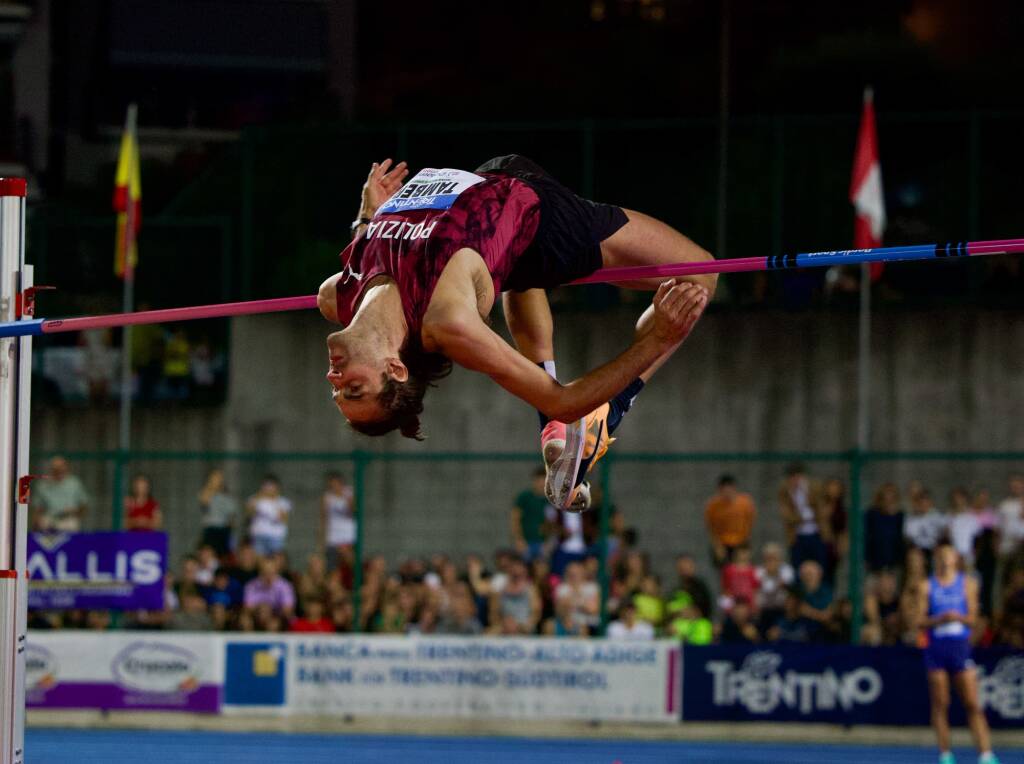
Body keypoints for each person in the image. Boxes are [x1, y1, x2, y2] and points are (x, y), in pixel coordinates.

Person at [320, 156, 716, 511]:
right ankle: (607, 416)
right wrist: (658, 340)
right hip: (545, 223)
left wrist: (369, 216)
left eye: (336, 391)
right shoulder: (447, 320)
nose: (334, 379)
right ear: (395, 367)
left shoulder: (338, 297)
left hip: (494, 184)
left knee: (514, 274)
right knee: (702, 273)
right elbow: (564, 400)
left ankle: (554, 432)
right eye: (354, 389)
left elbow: (365, 257)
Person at [917, 542, 1000, 764]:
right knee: (941, 702)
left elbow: (973, 618)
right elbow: (919, 620)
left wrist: (957, 617)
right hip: (936, 647)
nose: (945, 559)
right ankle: (945, 754)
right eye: (941, 555)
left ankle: (985, 754)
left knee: (972, 702)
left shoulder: (967, 584)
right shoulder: (927, 586)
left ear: (955, 559)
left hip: (959, 647)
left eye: (949, 555)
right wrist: (938, 619)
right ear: (936, 559)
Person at [778, 463, 828, 570]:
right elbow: (787, 516)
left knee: (820, 566)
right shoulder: (785, 492)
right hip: (797, 536)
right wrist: (803, 517)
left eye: (798, 477)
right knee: (797, 567)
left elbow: (822, 511)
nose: (795, 481)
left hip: (816, 534)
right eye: (792, 478)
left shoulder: (814, 488)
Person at [703, 474, 756, 567]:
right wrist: (717, 546)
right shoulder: (713, 506)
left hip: (740, 542)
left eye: (729, 489)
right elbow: (711, 528)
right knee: (725, 569)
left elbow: (749, 523)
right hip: (723, 544)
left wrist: (745, 546)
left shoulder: (745, 503)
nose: (727, 493)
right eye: (724, 490)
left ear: (734, 488)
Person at [31, 456, 90, 532]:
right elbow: (38, 508)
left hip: (69, 520)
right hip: (48, 520)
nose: (58, 470)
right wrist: (36, 523)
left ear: (66, 468)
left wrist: (75, 512)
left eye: (61, 467)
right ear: (51, 469)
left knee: (71, 528)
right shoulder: (43, 484)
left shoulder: (74, 483)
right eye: (55, 468)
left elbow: (84, 505)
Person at [511, 467, 555, 561]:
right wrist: (519, 539)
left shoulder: (551, 500)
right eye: (539, 480)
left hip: (543, 543)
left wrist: (549, 542)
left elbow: (552, 522)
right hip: (526, 542)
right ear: (534, 481)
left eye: (544, 480)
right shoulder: (525, 497)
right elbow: (515, 519)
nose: (541, 483)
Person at [246, 475, 292, 556]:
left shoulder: (283, 501)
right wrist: (259, 496)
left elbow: (283, 519)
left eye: (271, 486)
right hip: (258, 536)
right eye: (266, 485)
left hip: (276, 537)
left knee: (276, 560)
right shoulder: (254, 499)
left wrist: (274, 500)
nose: (269, 489)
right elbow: (249, 514)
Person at [865, 482, 906, 574]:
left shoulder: (900, 517)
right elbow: (867, 538)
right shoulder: (872, 515)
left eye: (891, 497)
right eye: (885, 497)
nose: (888, 500)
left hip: (894, 565)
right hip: (874, 565)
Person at [198, 468, 238, 555]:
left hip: (224, 529)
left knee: (224, 555)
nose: (218, 480)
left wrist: (231, 527)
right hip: (211, 529)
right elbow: (204, 502)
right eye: (215, 477)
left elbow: (232, 513)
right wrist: (211, 487)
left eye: (219, 477)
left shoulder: (226, 495)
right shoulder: (206, 492)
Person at [320, 472, 356, 571]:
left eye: (336, 484)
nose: (333, 487)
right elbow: (323, 519)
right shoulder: (327, 497)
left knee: (350, 562)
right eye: (331, 484)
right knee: (332, 567)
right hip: (333, 539)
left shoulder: (349, 494)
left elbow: (353, 512)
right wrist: (322, 541)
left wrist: (346, 498)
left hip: (348, 537)